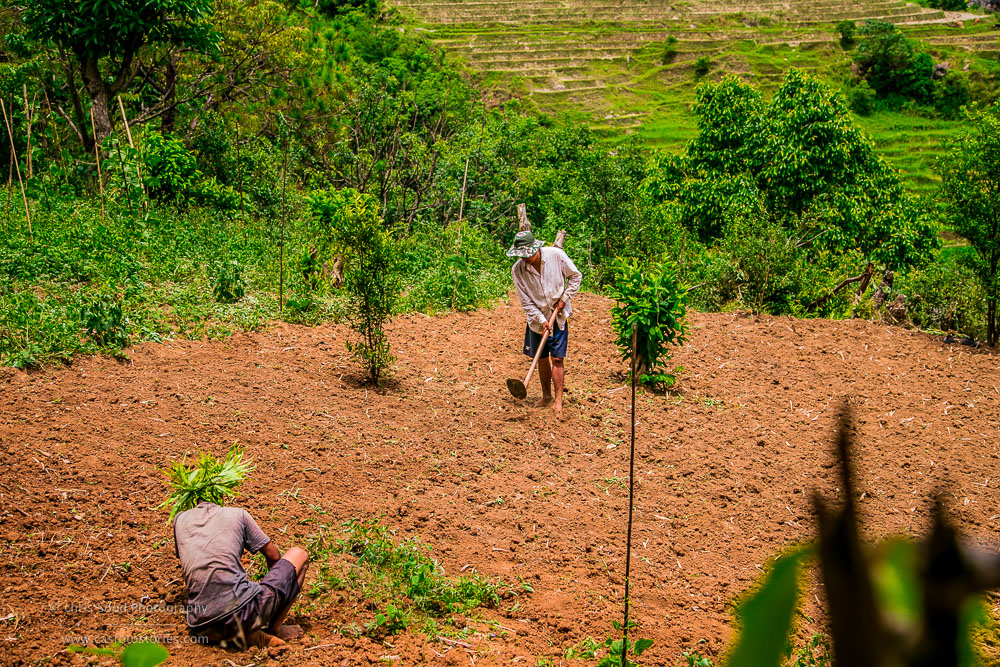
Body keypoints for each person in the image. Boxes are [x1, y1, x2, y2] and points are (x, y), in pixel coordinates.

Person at [173, 501, 309, 649]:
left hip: (201, 626)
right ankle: (274, 629)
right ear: (220, 494)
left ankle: (240, 634)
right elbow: (273, 556)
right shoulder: (238, 514)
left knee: (225, 615)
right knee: (299, 554)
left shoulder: (179, 520)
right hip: (243, 615)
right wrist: (274, 589)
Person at [507, 230, 583, 420]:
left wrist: (564, 299)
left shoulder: (556, 256)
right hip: (536, 319)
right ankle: (546, 396)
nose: (524, 258)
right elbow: (525, 302)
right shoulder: (518, 270)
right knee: (541, 357)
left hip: (558, 315)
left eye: (527, 254)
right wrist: (541, 320)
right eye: (520, 255)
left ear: (536, 248)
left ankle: (558, 401)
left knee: (557, 359)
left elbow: (575, 277)